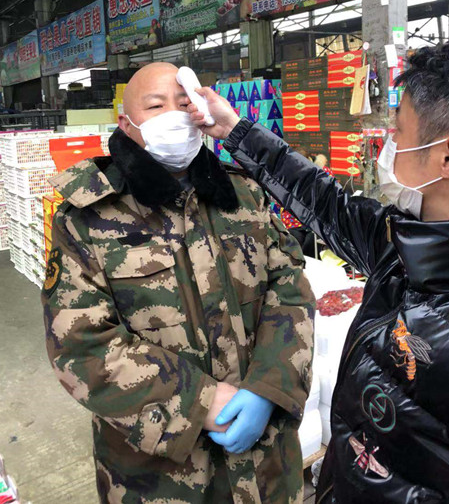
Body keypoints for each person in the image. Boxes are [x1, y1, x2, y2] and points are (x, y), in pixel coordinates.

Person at [189, 35, 449, 503]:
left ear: (447, 156)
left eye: (398, 132)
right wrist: (236, 131)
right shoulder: (403, 242)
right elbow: (325, 202)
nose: (388, 145)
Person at [41, 62, 316, 504]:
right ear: (126, 124)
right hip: (161, 479)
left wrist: (270, 386)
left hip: (265, 466)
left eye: (184, 103)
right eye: (156, 106)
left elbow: (289, 288)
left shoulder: (243, 194)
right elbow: (80, 344)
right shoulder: (88, 217)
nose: (174, 114)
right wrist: (200, 401)